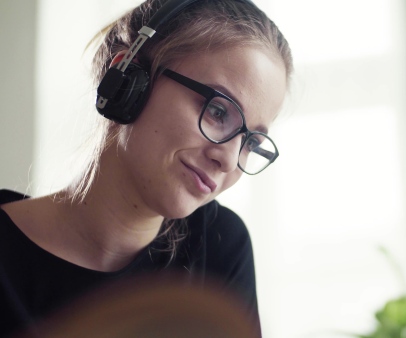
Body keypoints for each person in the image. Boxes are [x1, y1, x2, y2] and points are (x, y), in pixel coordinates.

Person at [0, 0, 292, 336]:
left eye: (251, 142)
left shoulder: (219, 246)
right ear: (127, 80)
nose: (228, 159)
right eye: (218, 112)